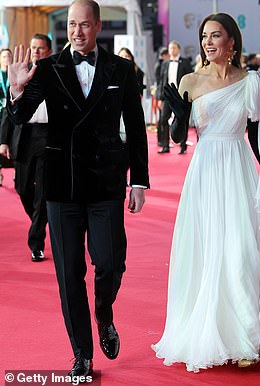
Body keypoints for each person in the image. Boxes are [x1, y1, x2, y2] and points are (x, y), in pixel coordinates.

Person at [7, 0, 149, 379]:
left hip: (106, 183)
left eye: (84, 25)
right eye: (71, 24)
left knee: (109, 263)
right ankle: (82, 354)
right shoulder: (49, 69)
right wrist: (16, 90)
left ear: (97, 26)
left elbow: (135, 129)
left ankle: (104, 315)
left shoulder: (121, 69)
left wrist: (139, 181)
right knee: (69, 274)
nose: (76, 31)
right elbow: (21, 116)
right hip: (62, 185)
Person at [152, 13, 260, 372]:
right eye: (204, 37)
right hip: (205, 172)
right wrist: (179, 118)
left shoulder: (251, 82)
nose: (208, 42)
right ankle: (210, 332)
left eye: (216, 35)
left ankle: (246, 337)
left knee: (242, 251)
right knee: (205, 251)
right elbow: (178, 138)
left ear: (233, 42)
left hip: (240, 171)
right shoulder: (189, 81)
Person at [0, 34, 52, 262]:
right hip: (24, 137)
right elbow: (7, 110)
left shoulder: (55, 74)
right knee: (22, 190)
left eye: (41, 48)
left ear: (49, 51)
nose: (37, 52)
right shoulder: (20, 73)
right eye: (34, 48)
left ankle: (36, 242)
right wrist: (3, 140)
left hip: (49, 138)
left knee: (42, 194)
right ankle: (39, 221)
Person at [156, 40, 193, 154]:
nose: (172, 50)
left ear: (178, 49)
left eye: (174, 48)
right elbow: (162, 80)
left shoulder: (185, 62)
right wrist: (159, 96)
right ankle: (165, 145)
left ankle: (183, 146)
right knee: (163, 120)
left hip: (181, 95)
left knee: (183, 120)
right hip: (168, 95)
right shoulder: (165, 63)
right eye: (170, 48)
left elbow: (190, 78)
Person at [0, 48, 12, 186]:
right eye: (3, 56)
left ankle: (16, 170)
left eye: (8, 55)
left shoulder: (14, 73)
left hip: (11, 113)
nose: (6, 58)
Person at [154, 47, 169, 146]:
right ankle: (161, 140)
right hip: (161, 95)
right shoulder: (160, 66)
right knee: (162, 119)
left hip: (162, 94)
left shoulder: (163, 64)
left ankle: (161, 140)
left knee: (162, 119)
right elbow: (159, 83)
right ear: (164, 55)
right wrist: (159, 98)